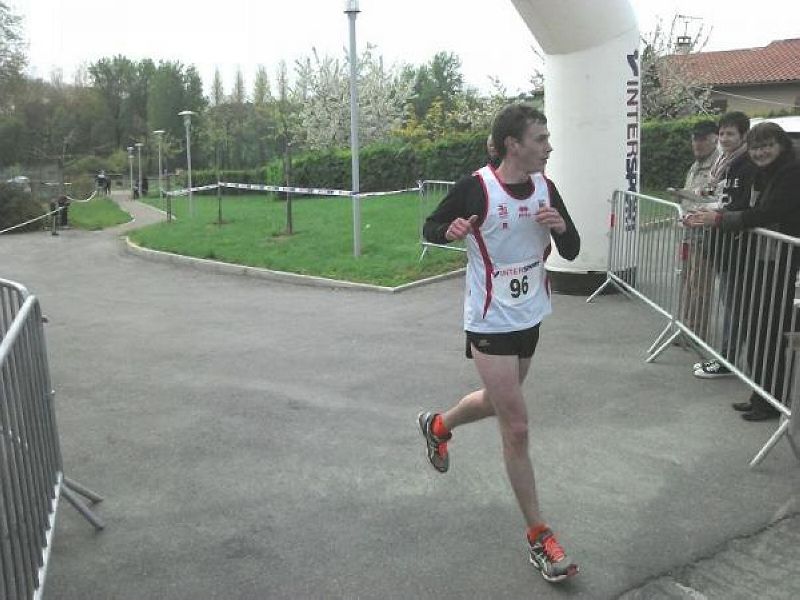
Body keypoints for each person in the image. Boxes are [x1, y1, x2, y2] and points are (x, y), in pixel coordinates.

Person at [418, 104, 581, 583]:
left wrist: (560, 227)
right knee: (517, 426)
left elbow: (572, 249)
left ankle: (439, 425)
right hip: (489, 320)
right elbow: (430, 226)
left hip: (530, 316)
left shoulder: (546, 188)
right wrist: (448, 230)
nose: (548, 147)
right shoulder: (476, 188)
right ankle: (540, 537)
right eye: (540, 139)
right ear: (514, 144)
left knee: (497, 402)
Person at [684, 122, 800, 420]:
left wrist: (720, 220)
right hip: (764, 259)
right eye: (757, 147)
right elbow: (753, 209)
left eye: (767, 146)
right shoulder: (767, 171)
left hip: (780, 262)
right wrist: (720, 215)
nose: (761, 152)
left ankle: (770, 401)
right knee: (758, 330)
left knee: (769, 332)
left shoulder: (791, 172)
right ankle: (760, 395)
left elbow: (767, 212)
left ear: (781, 145)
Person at [690, 112, 757, 379]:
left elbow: (739, 204)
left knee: (735, 305)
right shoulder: (724, 163)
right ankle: (728, 357)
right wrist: (704, 205)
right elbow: (720, 195)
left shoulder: (746, 164)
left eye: (731, 134)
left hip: (738, 245)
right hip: (722, 241)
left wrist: (714, 213)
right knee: (730, 302)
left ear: (744, 135)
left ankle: (728, 360)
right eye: (722, 133)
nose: (725, 139)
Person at [671, 120, 720, 340]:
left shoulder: (717, 165)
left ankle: (696, 333)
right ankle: (686, 327)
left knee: (699, 284)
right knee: (687, 282)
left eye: (702, 139)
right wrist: (681, 195)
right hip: (688, 230)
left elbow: (714, 198)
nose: (697, 144)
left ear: (714, 139)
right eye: (694, 139)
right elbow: (694, 193)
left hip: (704, 232)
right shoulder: (696, 164)